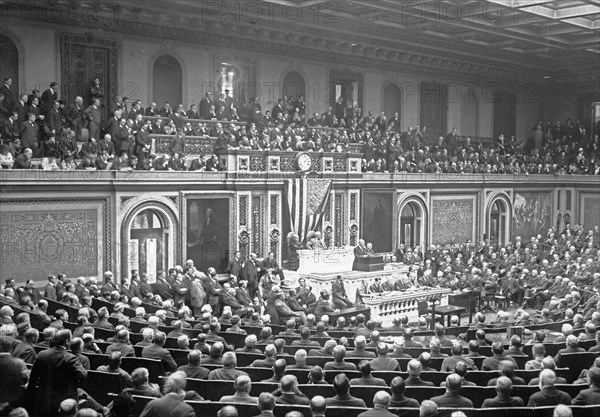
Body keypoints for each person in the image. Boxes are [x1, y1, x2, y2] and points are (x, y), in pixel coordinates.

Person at [27, 329, 87, 416]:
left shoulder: (41, 354)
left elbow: (33, 379)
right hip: (63, 403)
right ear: (67, 341)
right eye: (71, 339)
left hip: (43, 400)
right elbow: (83, 375)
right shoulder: (71, 358)